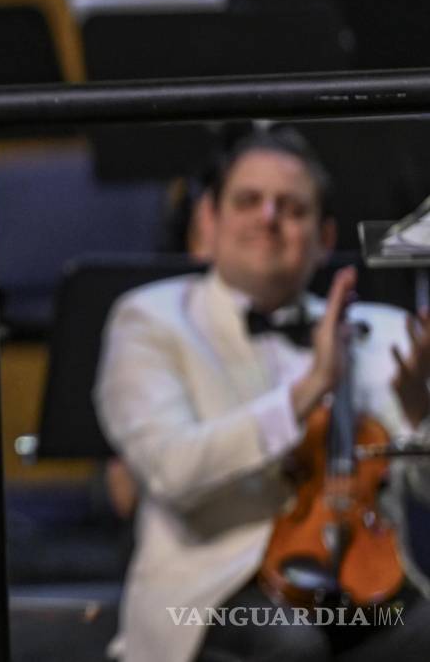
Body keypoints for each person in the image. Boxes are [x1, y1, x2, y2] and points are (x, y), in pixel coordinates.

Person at [95, 127, 430, 662]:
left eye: (292, 208)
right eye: (248, 201)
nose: (268, 217)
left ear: (324, 238)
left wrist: (419, 416)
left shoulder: (381, 331)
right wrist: (309, 388)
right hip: (215, 591)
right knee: (290, 644)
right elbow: (171, 471)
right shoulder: (148, 320)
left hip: (363, 581)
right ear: (208, 222)